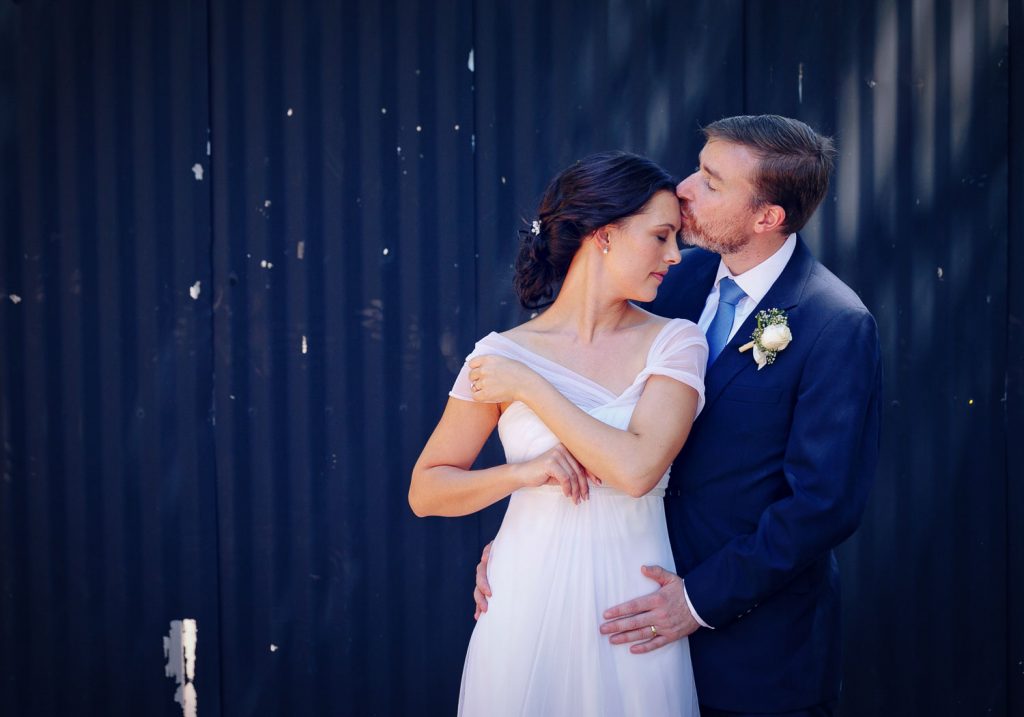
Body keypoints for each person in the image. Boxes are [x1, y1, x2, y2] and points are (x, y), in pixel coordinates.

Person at [474, 116, 882, 717]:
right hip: (621, 617)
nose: (685, 188)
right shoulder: (669, 280)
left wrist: (695, 601)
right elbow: (598, 405)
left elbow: (823, 506)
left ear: (767, 217)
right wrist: (529, 538)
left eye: (712, 182)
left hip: (754, 645)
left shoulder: (834, 322)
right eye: (699, 166)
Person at [409, 151, 707, 716]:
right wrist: (526, 472)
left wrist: (531, 386)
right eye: (662, 236)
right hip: (524, 600)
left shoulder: (677, 342)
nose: (675, 256)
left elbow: (637, 470)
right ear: (603, 235)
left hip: (632, 611)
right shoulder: (499, 354)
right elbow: (425, 490)